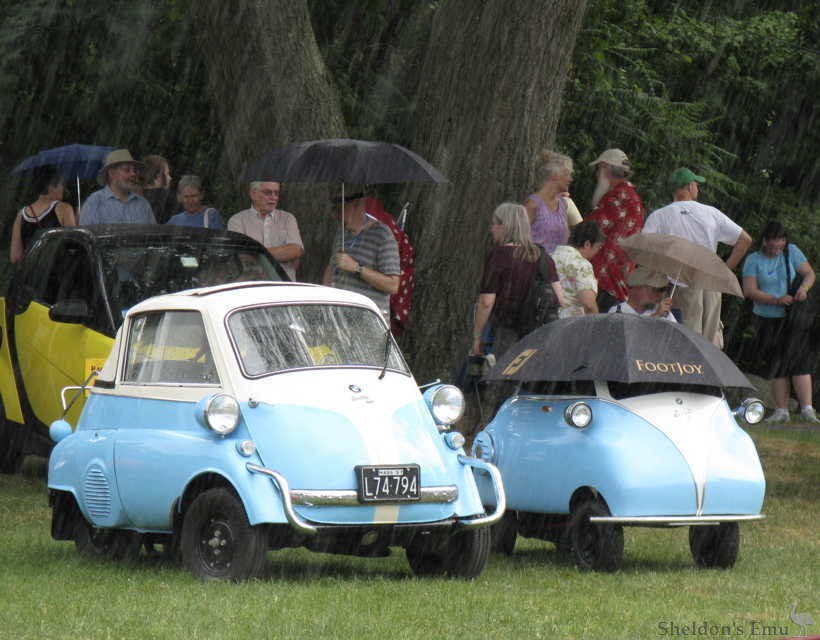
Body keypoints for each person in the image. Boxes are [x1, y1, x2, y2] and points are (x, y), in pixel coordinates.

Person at [642, 167, 752, 346]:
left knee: (685, 342)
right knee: (709, 345)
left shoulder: (660, 216)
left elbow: (645, 250)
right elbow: (745, 240)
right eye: (696, 185)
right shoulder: (711, 213)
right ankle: (707, 373)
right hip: (711, 283)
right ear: (689, 186)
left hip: (681, 282)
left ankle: (684, 373)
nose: (698, 189)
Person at [741, 221, 818, 423]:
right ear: (765, 242)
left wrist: (803, 289)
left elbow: (809, 274)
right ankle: (781, 410)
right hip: (767, 318)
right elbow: (749, 290)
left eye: (781, 245)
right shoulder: (753, 260)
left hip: (794, 316)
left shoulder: (791, 251)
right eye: (774, 246)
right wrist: (775, 300)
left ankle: (807, 409)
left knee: (800, 361)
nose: (777, 249)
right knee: (776, 363)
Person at [470, 203, 564, 358]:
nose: (491, 229)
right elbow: (560, 298)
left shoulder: (498, 255)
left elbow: (486, 302)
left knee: (492, 376)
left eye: (494, 224)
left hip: (503, 334)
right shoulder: (542, 256)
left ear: (503, 226)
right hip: (535, 335)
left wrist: (477, 335)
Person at [322, 186, 400, 321]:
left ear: (356, 205)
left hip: (368, 326)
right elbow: (331, 269)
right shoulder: (341, 233)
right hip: (338, 320)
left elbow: (393, 285)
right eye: (333, 209)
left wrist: (357, 268)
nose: (335, 215)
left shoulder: (382, 235)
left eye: (339, 209)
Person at [586, 148, 645, 309]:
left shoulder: (614, 197)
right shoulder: (633, 197)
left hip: (604, 277)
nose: (598, 174)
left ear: (606, 168)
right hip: (621, 277)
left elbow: (588, 232)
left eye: (599, 169)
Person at [227, 181, 303, 280]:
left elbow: (295, 250)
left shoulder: (287, 218)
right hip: (252, 285)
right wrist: (283, 252)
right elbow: (243, 255)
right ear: (253, 194)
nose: (274, 198)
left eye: (276, 193)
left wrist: (257, 253)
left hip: (284, 284)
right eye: (268, 193)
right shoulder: (237, 220)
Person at [10, 165, 76, 263]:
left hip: (35, 275)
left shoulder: (21, 215)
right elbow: (74, 246)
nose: (63, 189)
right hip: (58, 274)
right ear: (52, 186)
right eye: (62, 184)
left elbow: (15, 257)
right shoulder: (63, 208)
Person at [524, 150, 583, 255]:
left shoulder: (563, 205)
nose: (571, 179)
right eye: (566, 174)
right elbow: (520, 239)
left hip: (558, 269)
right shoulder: (533, 204)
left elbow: (580, 232)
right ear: (554, 175)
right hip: (537, 267)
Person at [80, 149, 156, 225]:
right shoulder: (94, 202)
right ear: (111, 173)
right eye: (127, 170)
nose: (133, 174)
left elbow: (154, 235)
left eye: (135, 170)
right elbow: (86, 235)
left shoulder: (143, 204)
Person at [552, 220, 605, 318]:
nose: (597, 252)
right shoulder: (582, 265)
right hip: (569, 323)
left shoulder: (552, 255)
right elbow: (588, 303)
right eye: (598, 247)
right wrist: (597, 325)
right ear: (587, 244)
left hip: (546, 319)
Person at [608, 266, 676, 321]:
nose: (661, 295)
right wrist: (656, 316)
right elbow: (631, 335)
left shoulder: (663, 313)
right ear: (637, 288)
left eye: (664, 290)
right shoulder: (617, 312)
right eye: (657, 289)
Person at [142, 154, 174, 223]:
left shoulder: (133, 199)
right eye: (167, 173)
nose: (170, 178)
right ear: (157, 177)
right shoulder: (164, 202)